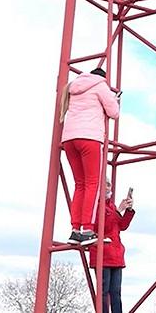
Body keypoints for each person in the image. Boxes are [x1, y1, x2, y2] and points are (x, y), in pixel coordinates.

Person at [60, 68, 120, 246]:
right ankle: (87, 228)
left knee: (80, 185)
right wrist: (114, 100)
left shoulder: (72, 87)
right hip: (90, 137)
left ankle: (75, 228)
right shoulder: (100, 86)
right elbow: (114, 112)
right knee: (93, 184)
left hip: (69, 139)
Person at [89, 178, 135, 313]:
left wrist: (128, 211)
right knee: (103, 292)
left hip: (116, 255)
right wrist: (119, 211)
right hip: (102, 254)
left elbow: (122, 226)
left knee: (116, 292)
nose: (108, 188)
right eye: (104, 185)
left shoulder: (111, 206)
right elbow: (102, 226)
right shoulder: (95, 205)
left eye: (109, 184)